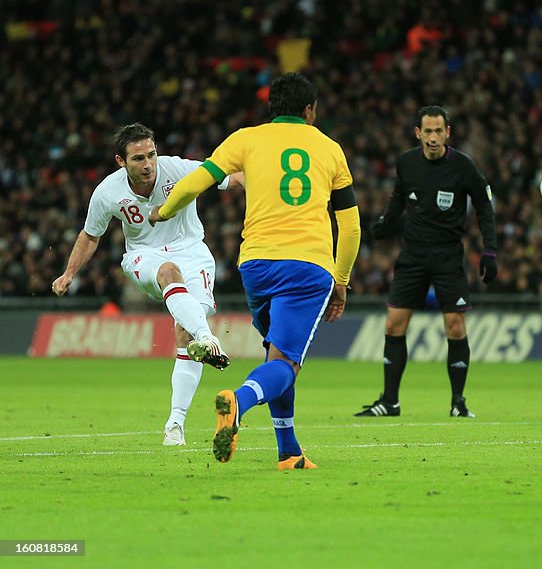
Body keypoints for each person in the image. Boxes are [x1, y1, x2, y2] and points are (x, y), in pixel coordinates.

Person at [151, 73, 360, 470]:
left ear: (272, 109)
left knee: (275, 354)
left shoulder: (245, 139)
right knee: (286, 365)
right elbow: (350, 226)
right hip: (307, 265)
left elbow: (197, 181)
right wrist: (342, 280)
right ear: (309, 110)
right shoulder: (330, 150)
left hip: (256, 265)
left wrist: (164, 210)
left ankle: (289, 452)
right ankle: (239, 402)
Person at [52, 123, 242, 447]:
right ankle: (209, 337)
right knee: (170, 274)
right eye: (138, 158)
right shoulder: (108, 192)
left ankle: (175, 426)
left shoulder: (179, 169)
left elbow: (227, 176)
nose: (148, 164)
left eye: (151, 155)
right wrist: (69, 273)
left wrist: (264, 179)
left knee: (185, 332)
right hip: (144, 257)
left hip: (194, 253)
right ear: (120, 161)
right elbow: (90, 235)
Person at [355, 105, 497, 418]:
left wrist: (490, 250)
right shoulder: (407, 162)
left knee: (455, 326)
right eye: (427, 131)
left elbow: (485, 208)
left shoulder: (463, 166)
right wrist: (386, 222)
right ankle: (389, 401)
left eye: (438, 131)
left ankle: (458, 402)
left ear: (448, 132)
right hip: (413, 255)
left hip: (448, 256)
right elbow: (399, 198)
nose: (433, 137)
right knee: (393, 324)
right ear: (417, 133)